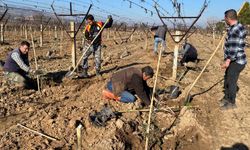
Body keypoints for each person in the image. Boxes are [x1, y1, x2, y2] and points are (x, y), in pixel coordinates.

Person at [220, 9, 247, 109]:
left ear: (229, 18)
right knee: (227, 79)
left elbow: (233, 49)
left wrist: (227, 61)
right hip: (235, 60)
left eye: (225, 18)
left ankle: (231, 102)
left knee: (231, 81)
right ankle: (226, 98)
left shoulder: (235, 30)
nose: (224, 20)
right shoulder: (237, 27)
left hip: (236, 61)